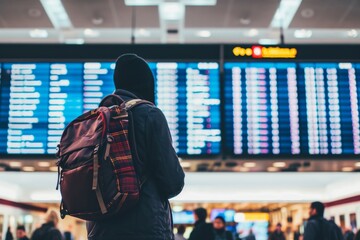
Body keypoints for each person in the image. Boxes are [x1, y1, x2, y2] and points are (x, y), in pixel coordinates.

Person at [86, 53, 185, 240]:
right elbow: (173, 183)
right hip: (144, 229)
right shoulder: (149, 114)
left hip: (99, 230)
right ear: (146, 83)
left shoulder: (97, 120)